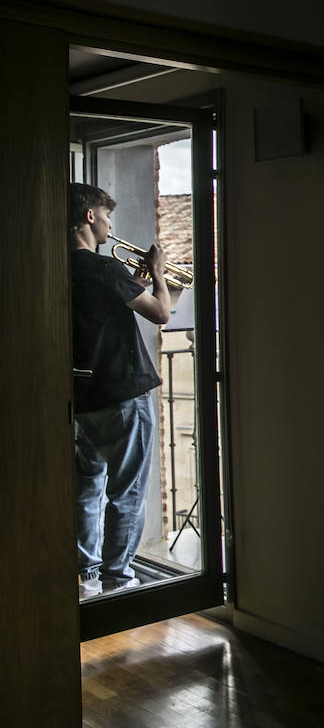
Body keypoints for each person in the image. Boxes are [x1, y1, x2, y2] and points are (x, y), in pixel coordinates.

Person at [69, 183, 171, 599]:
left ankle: (86, 579)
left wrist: (134, 279)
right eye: (106, 215)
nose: (111, 224)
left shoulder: (56, 267)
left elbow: (100, 308)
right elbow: (162, 313)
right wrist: (159, 273)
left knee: (87, 489)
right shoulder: (105, 269)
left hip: (81, 398)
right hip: (122, 394)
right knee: (127, 491)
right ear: (90, 216)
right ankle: (118, 578)